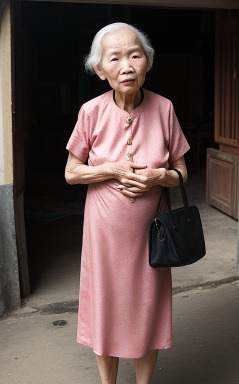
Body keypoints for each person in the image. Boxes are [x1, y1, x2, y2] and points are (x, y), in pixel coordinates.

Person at [65, 22, 190, 384]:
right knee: (105, 308)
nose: (126, 65)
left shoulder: (164, 108)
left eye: (135, 55)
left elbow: (181, 171)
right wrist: (113, 169)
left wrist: (157, 176)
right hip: (104, 235)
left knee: (146, 310)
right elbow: (72, 173)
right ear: (100, 70)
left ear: (147, 63)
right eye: (114, 58)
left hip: (153, 235)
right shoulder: (91, 111)